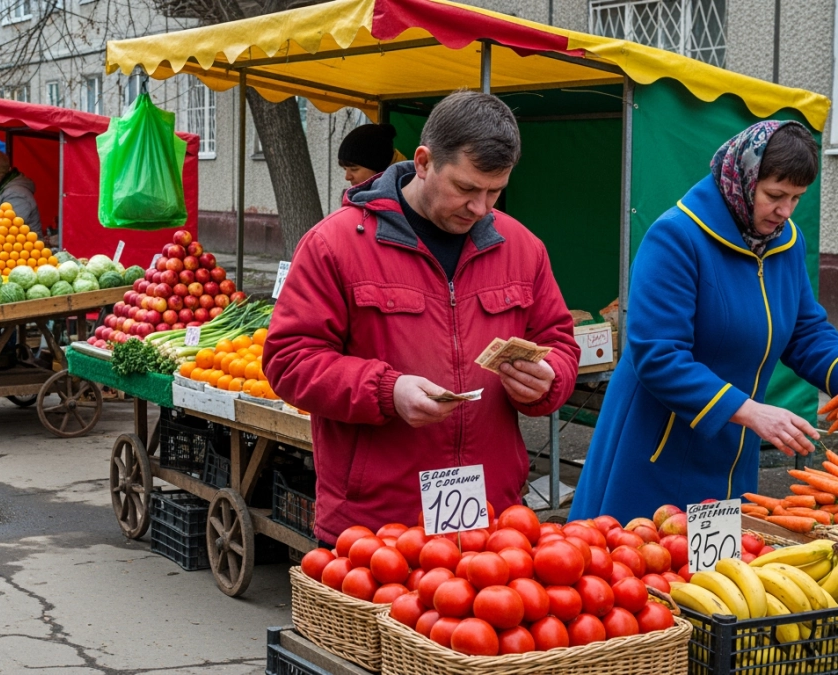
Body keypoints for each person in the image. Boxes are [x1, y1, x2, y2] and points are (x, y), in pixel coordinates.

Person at [264, 91, 580, 545]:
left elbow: (559, 341)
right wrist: (387, 391)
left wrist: (548, 380)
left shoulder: (523, 248)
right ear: (424, 161)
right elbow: (289, 362)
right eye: (467, 188)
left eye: (495, 190)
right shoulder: (335, 243)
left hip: (492, 520)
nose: (481, 208)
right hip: (377, 525)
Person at [569, 121, 838, 523]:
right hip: (655, 453)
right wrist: (749, 411)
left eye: (797, 198)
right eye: (775, 195)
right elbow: (658, 355)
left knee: (715, 578)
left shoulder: (786, 240)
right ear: (744, 180)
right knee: (642, 571)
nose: (785, 211)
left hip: (732, 452)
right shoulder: (676, 237)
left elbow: (805, 331)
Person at [339, 123, 406, 186]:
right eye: (345, 169)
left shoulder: (403, 194)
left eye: (354, 169)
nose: (347, 177)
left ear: (380, 166)